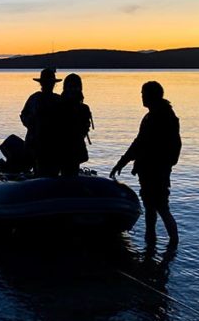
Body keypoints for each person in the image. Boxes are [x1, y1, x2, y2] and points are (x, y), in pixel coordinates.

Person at [110, 81, 180, 246]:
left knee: (161, 208)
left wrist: (123, 162)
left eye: (144, 93)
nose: (141, 97)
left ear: (152, 96)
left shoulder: (162, 117)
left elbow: (142, 143)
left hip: (157, 171)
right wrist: (122, 162)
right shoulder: (153, 116)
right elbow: (139, 143)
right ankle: (151, 244)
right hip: (149, 171)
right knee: (151, 209)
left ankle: (172, 244)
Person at [20, 68, 62, 177]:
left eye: (51, 83)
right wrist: (32, 124)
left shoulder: (59, 100)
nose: (49, 85)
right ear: (42, 83)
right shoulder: (35, 98)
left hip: (53, 143)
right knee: (39, 170)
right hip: (35, 142)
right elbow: (24, 116)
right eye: (47, 83)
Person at [59, 73, 93, 176]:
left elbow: (85, 129)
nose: (73, 89)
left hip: (75, 149)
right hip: (60, 149)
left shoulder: (84, 108)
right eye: (71, 87)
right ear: (66, 88)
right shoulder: (58, 106)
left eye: (76, 87)